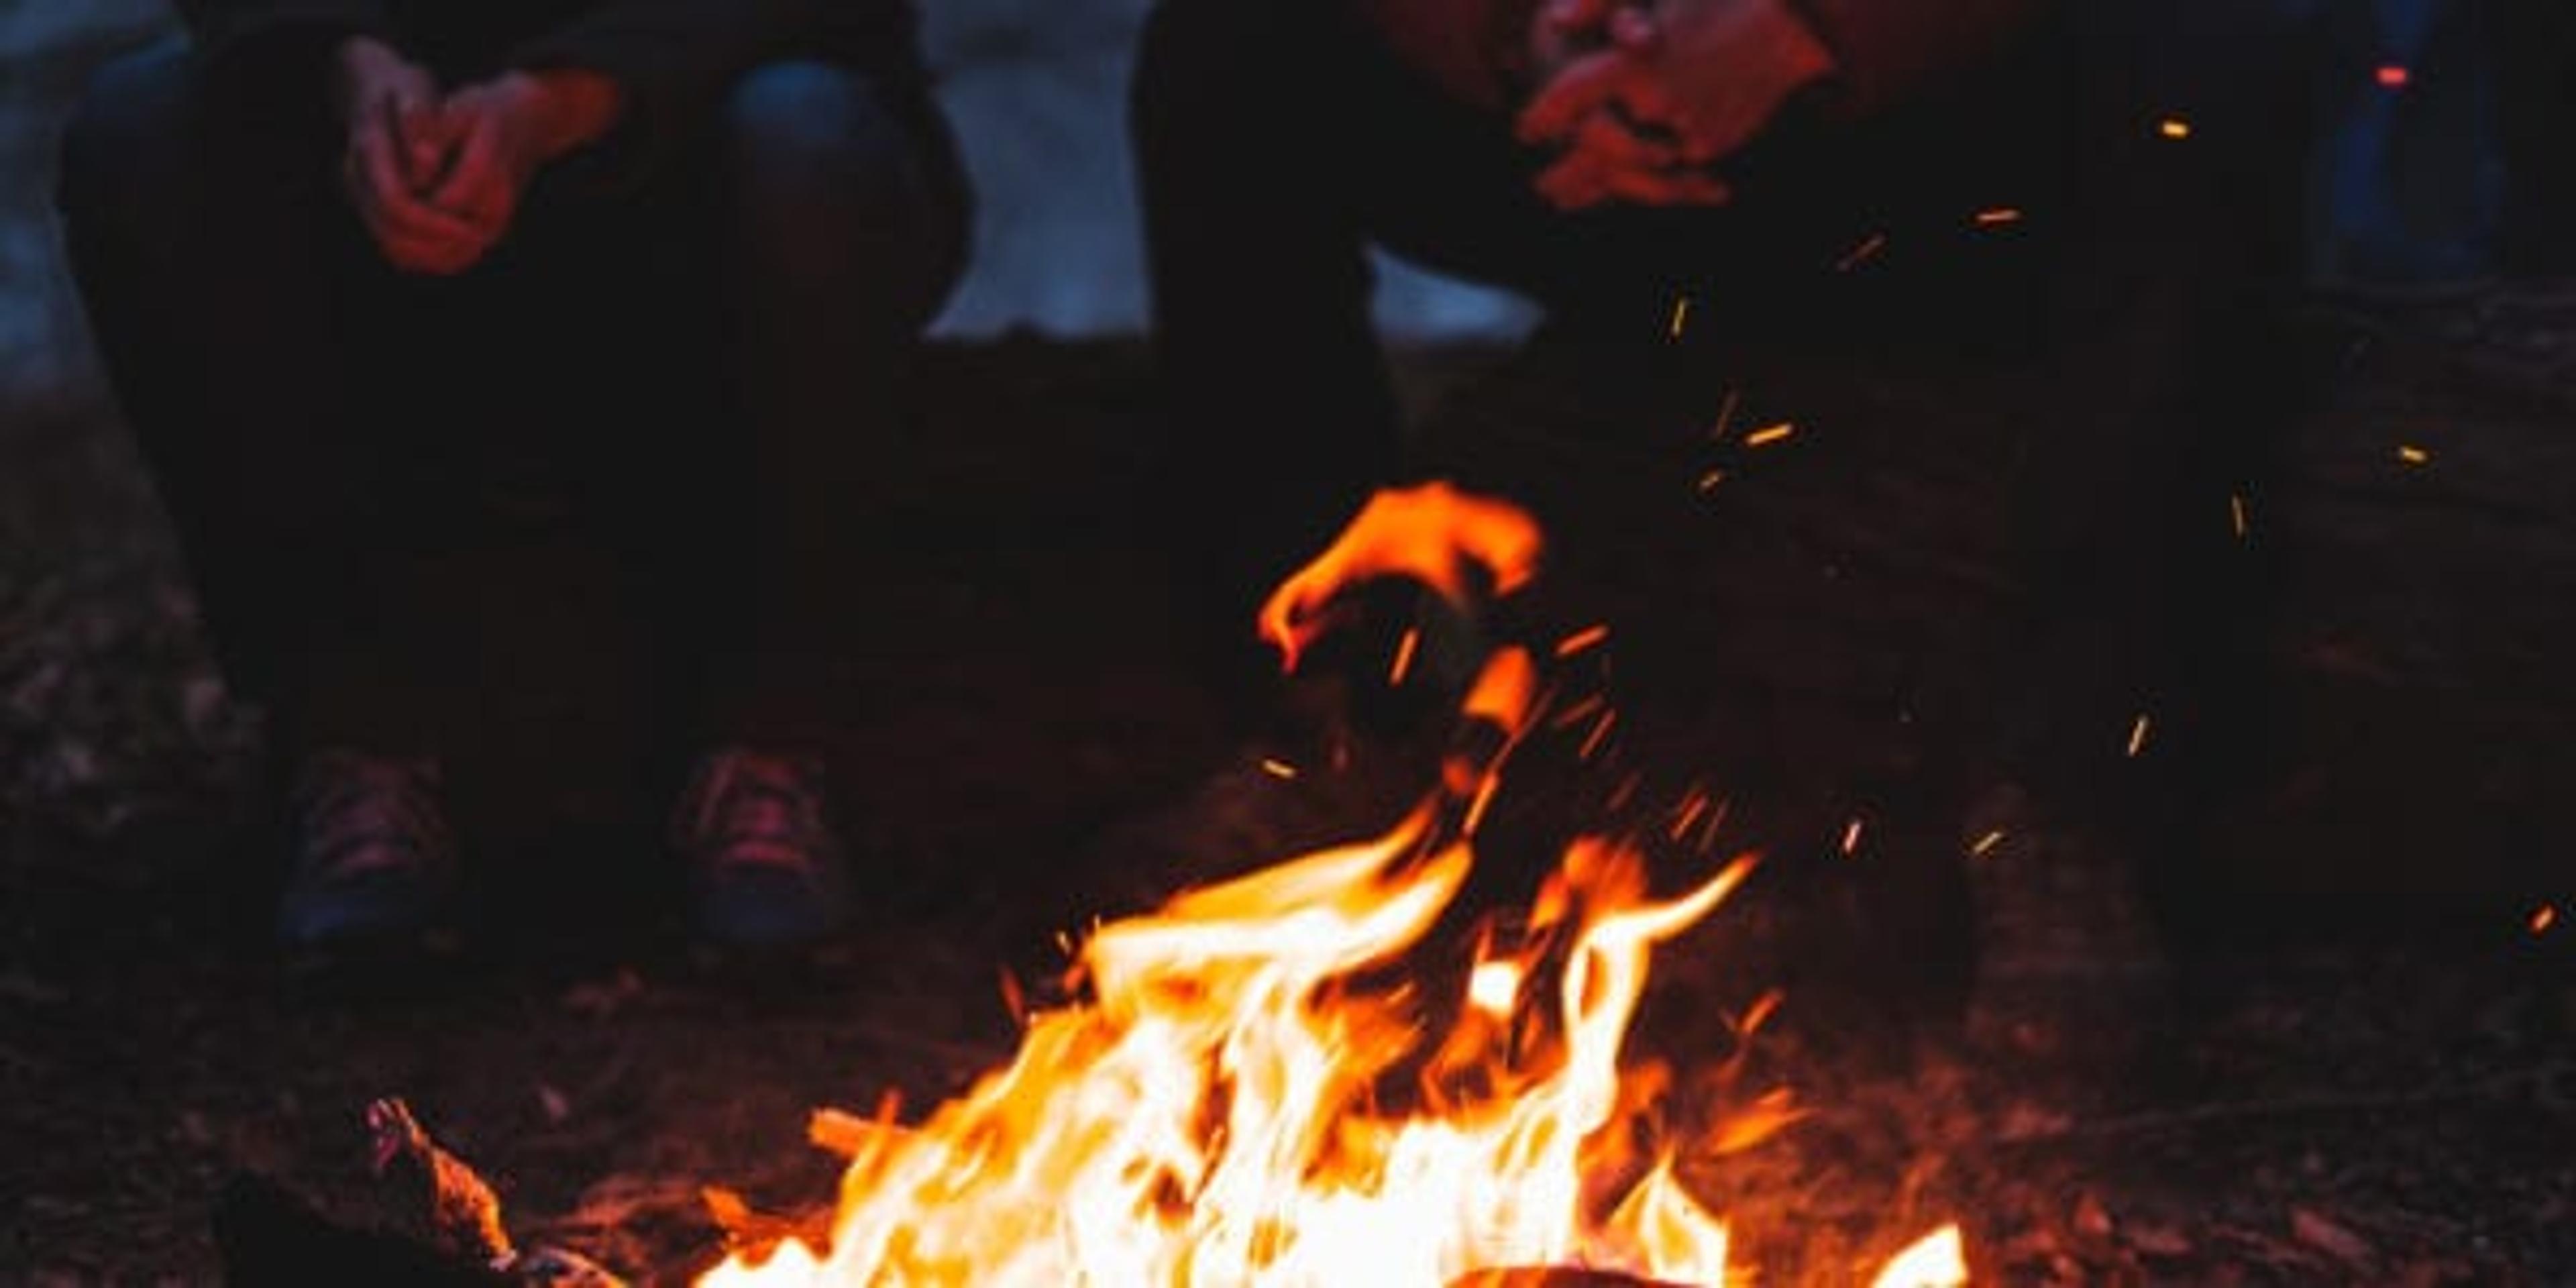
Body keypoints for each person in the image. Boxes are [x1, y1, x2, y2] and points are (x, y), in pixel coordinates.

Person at [1126, 0, 2306, 1056]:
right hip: (1557, 119)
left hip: (1920, 130)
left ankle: (2074, 798)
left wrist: (1815, 37)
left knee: (2203, 52)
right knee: (1230, 45)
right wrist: (1525, 37)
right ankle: (1333, 721)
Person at [53, 0, 973, 960]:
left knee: (809, 139)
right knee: (143, 123)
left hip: (704, 148)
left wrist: (558, 101)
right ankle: (355, 735)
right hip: (380, 164)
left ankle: (769, 743)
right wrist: (350, 63)